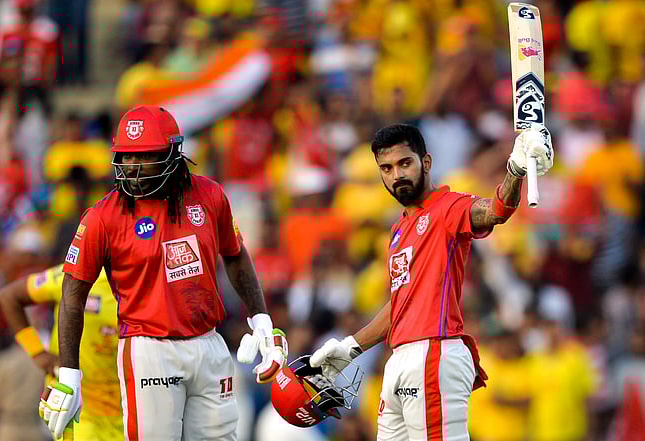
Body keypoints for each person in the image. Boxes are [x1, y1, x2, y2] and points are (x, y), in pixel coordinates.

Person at [41, 105, 286, 440]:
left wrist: (261, 320)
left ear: (173, 153)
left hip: (209, 344)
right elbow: (73, 292)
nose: (132, 167)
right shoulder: (102, 217)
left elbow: (235, 255)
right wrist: (70, 373)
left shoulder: (210, 195)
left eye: (143, 156)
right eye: (126, 157)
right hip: (149, 349)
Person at [309, 123, 554, 439]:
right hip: (400, 360)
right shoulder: (398, 231)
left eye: (404, 163)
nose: (396, 175)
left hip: (432, 353)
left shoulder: (448, 206)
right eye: (386, 168)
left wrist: (516, 169)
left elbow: (496, 210)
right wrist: (351, 347)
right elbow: (401, 303)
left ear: (425, 162)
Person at [0, 264, 122, 440]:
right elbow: (9, 297)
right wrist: (38, 353)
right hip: (78, 409)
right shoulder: (74, 274)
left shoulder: (149, 285)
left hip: (128, 409)